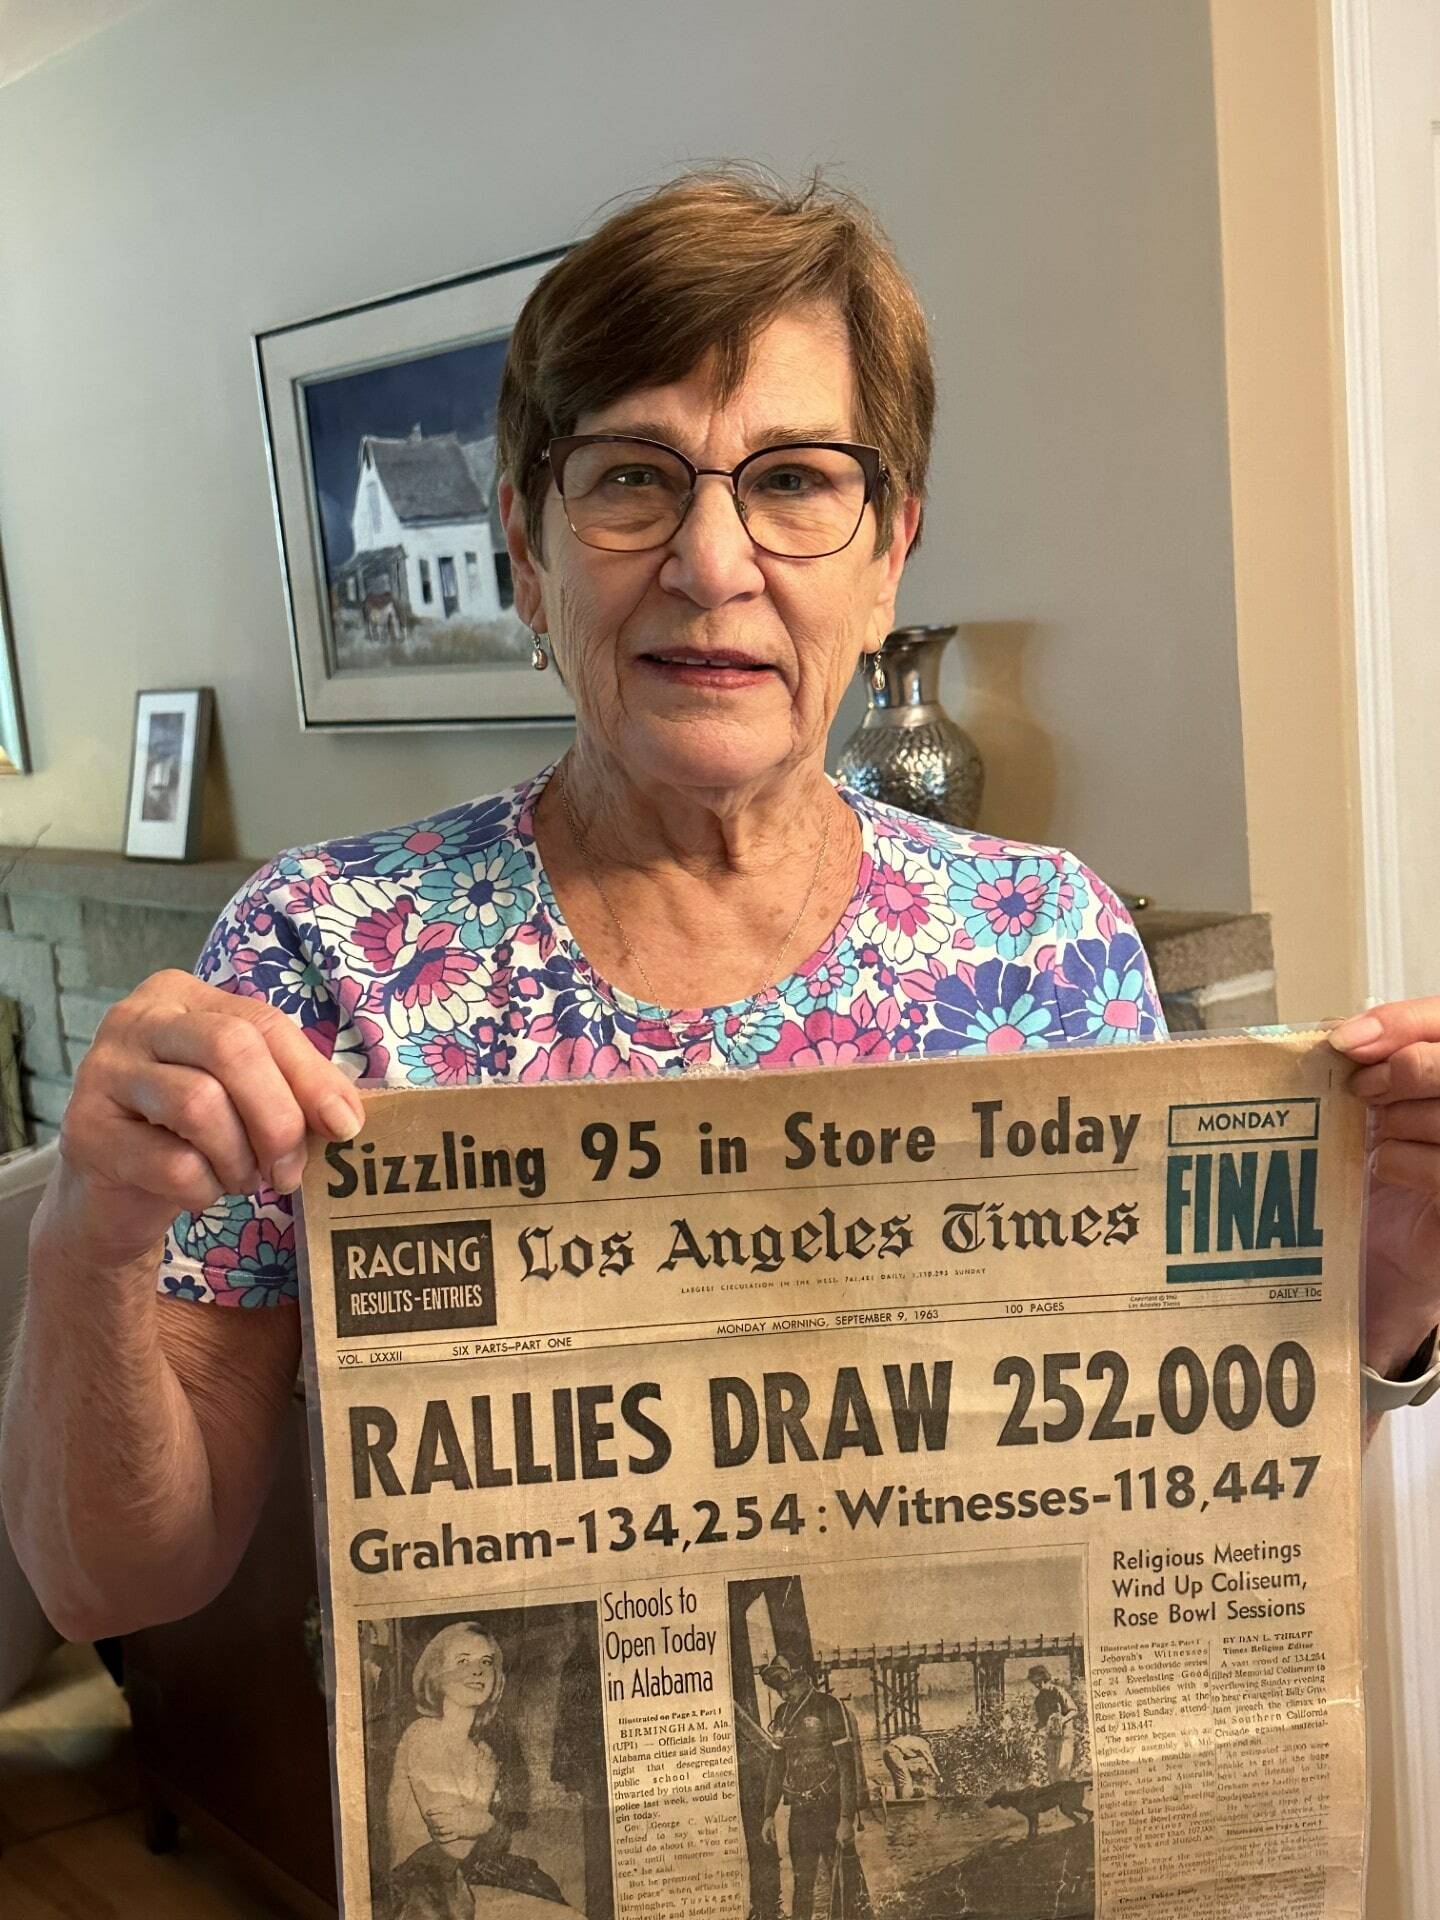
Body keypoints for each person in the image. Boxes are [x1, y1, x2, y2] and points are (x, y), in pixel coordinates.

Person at [3, 170, 1439, 1641]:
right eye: (630, 475)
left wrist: (1380, 1296)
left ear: (889, 555)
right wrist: (89, 1236)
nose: (710, 563)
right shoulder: (323, 953)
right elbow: (113, 1580)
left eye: (796, 481)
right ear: (524, 546)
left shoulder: (1046, 943)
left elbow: (1186, 1490)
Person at [385, 1622, 578, 1918]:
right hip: (420, 1891)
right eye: (463, 1661)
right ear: (436, 1674)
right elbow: (452, 1841)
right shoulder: (422, 1734)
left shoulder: (485, 1754)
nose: (477, 1671)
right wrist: (485, 1820)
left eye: (486, 1662)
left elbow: (489, 1842)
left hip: (464, 1879)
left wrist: (480, 1822)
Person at [759, 1652, 871, 1920]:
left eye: (788, 1688)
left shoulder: (829, 1707)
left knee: (844, 1881)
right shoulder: (782, 1714)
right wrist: (768, 1814)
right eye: (779, 1690)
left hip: (831, 1807)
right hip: (800, 1811)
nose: (784, 1695)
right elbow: (777, 1767)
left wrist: (846, 1818)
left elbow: (847, 1767)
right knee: (802, 1882)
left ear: (804, 1680)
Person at [1026, 1666, 1078, 1784]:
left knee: (1062, 1770)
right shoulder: (1039, 1699)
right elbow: (1042, 1721)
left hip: (1064, 1736)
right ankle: (1056, 1799)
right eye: (1035, 1683)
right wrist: (1033, 1728)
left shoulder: (1058, 1692)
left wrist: (1062, 1720)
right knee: (1052, 1773)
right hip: (1051, 1737)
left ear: (1045, 1678)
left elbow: (1074, 1710)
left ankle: (1064, 1798)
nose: (1038, 1685)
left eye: (1040, 1682)